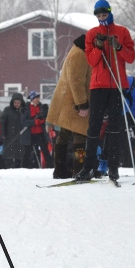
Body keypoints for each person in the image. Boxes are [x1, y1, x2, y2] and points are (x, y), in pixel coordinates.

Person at [75, 0, 135, 182]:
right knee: (94, 127)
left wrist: (119, 47)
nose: (102, 18)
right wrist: (99, 46)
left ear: (110, 13)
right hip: (98, 86)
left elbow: (131, 57)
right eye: (99, 16)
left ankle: (114, 167)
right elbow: (92, 61)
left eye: (104, 14)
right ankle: (88, 167)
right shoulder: (92, 34)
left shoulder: (122, 32)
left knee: (115, 128)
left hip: (117, 85)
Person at [46, 34, 91, 178]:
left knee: (64, 135)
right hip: (75, 103)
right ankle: (78, 169)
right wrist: (82, 104)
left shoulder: (76, 51)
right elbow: (77, 81)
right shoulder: (80, 54)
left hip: (68, 102)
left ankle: (60, 169)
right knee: (80, 135)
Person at [0, 93, 30, 169]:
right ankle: (8, 167)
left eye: (18, 103)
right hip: (9, 135)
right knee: (9, 153)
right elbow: (2, 122)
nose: (17, 104)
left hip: (22, 136)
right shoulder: (7, 110)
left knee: (20, 154)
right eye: (15, 103)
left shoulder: (25, 111)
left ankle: (19, 167)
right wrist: (3, 133)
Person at [23, 91, 52, 168]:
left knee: (45, 150)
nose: (37, 99)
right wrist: (34, 122)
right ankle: (25, 166)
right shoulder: (26, 108)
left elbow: (47, 118)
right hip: (30, 133)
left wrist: (42, 121)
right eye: (35, 98)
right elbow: (23, 121)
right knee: (27, 151)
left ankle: (50, 165)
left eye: (38, 98)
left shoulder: (42, 107)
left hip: (40, 132)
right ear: (32, 99)